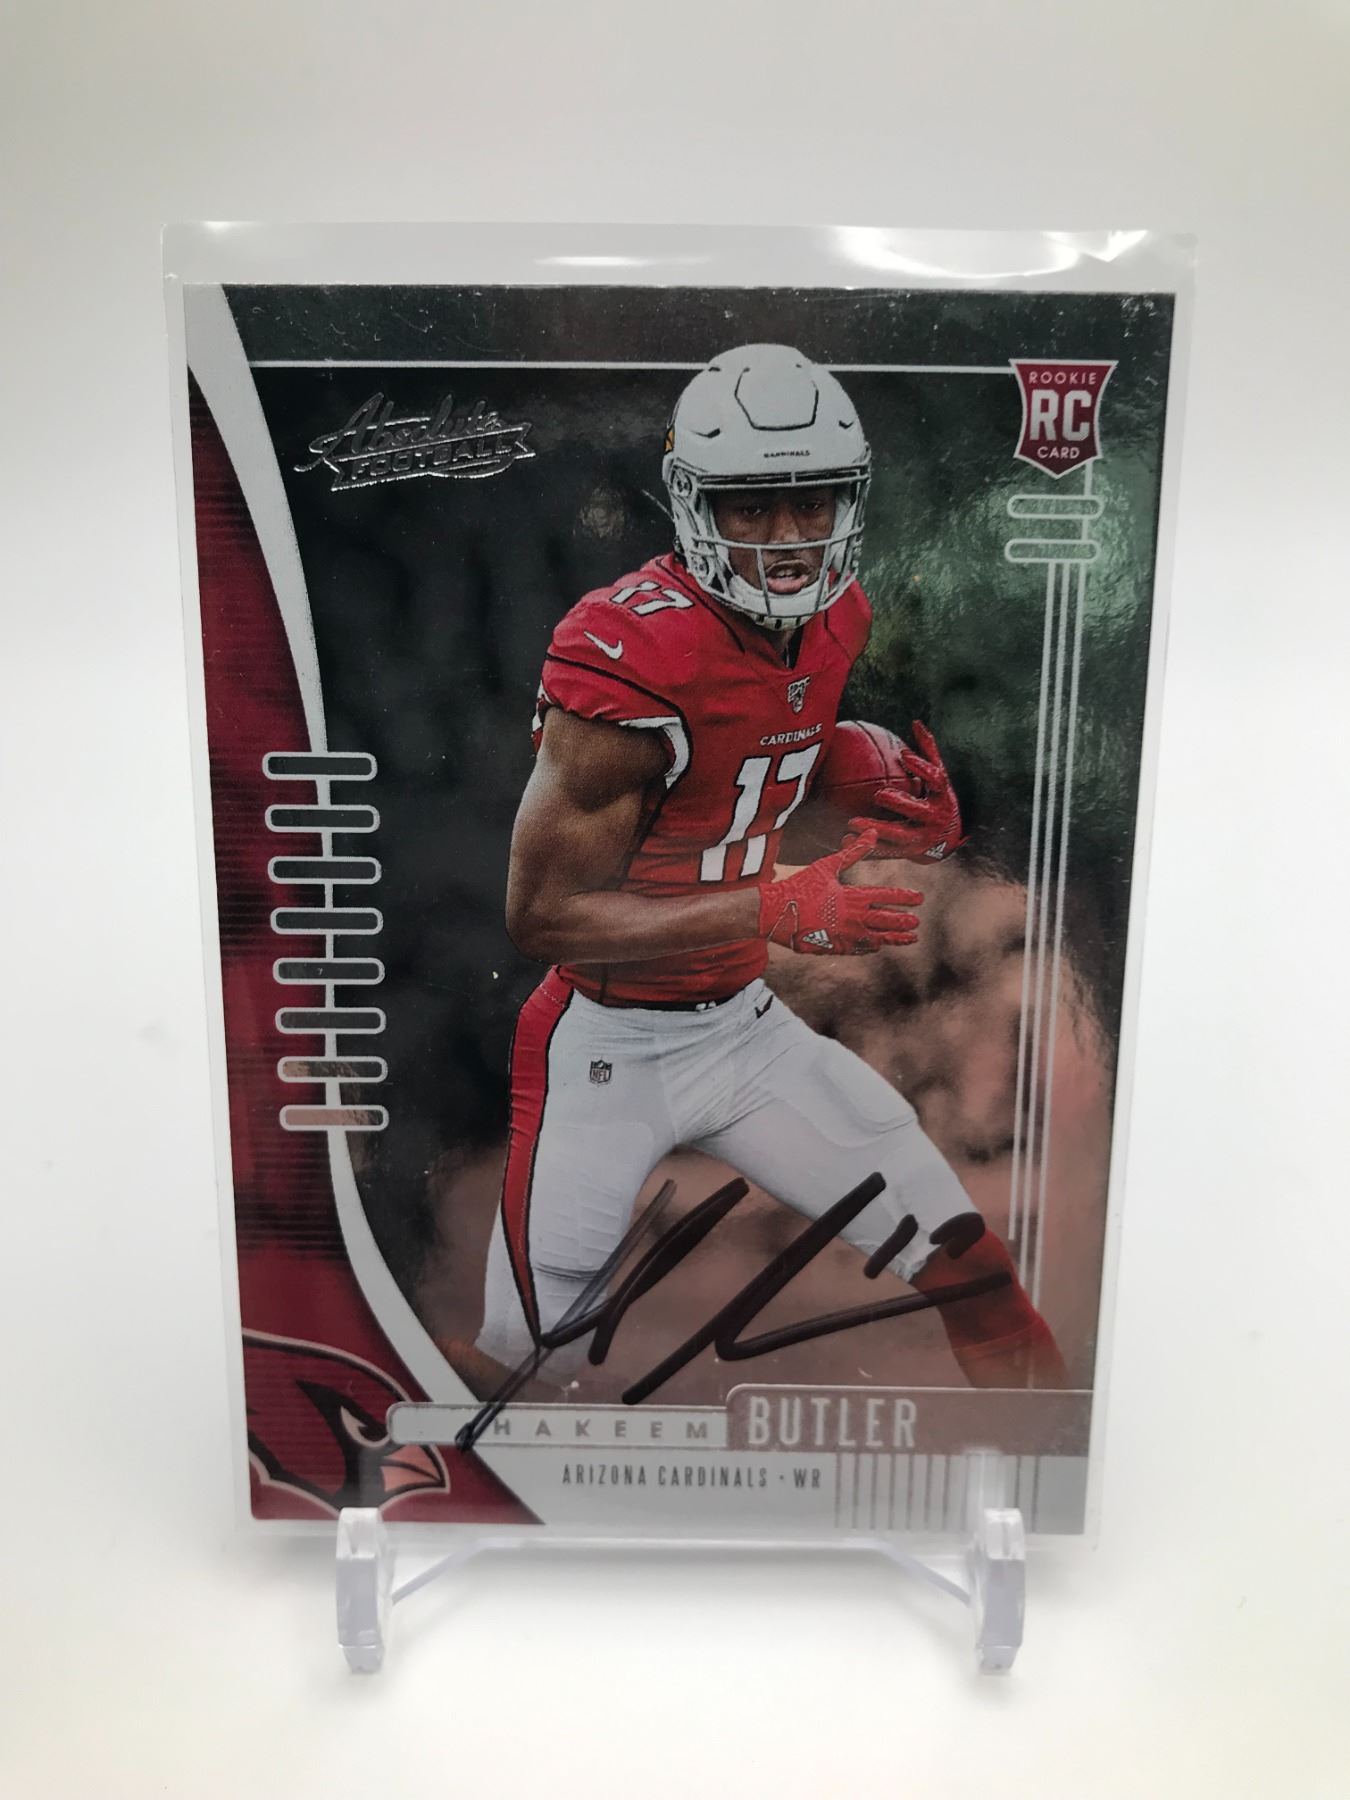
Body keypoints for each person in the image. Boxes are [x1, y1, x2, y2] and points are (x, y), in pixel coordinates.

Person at [474, 343, 1064, 1391]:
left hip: (742, 1031)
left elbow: (742, 770)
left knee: (975, 1275)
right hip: (605, 1046)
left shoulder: (838, 617)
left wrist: (881, 795)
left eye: (812, 501)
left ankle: (1044, 1458)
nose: (789, 538)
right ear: (693, 503)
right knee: (516, 1381)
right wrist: (771, 907)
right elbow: (544, 916)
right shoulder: (628, 653)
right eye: (752, 506)